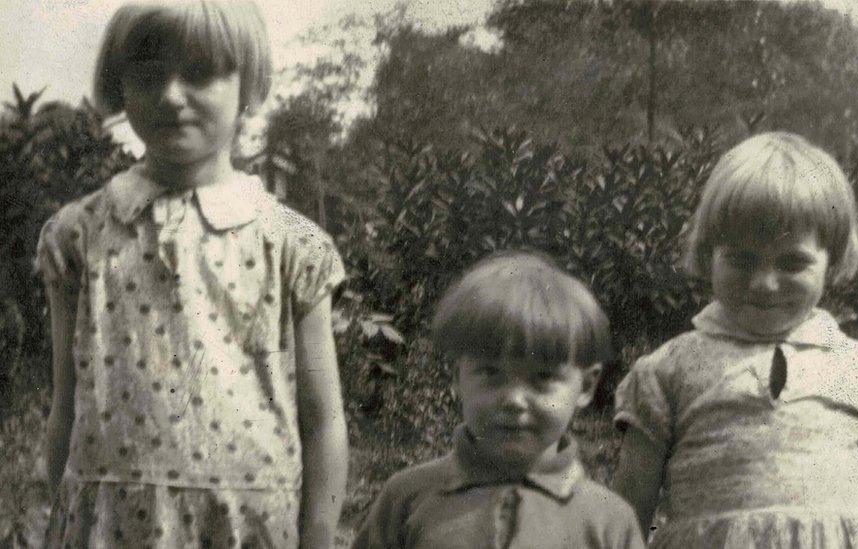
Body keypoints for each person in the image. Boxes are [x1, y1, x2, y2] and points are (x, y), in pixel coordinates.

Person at [36, 2, 347, 546]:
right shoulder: (76, 237)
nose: (171, 96)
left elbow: (324, 421)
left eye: (200, 74)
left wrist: (319, 535)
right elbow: (67, 404)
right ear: (120, 86)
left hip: (245, 525)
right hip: (110, 523)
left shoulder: (292, 244)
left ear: (248, 86)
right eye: (149, 76)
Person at [612, 132, 858, 548]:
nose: (765, 284)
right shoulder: (667, 372)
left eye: (793, 263)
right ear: (708, 254)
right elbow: (627, 516)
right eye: (741, 260)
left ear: (833, 262)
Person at [352, 251, 643, 548]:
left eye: (542, 378)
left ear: (586, 386)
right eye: (491, 373)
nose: (514, 400)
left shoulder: (608, 522)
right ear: (457, 377)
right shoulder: (408, 498)